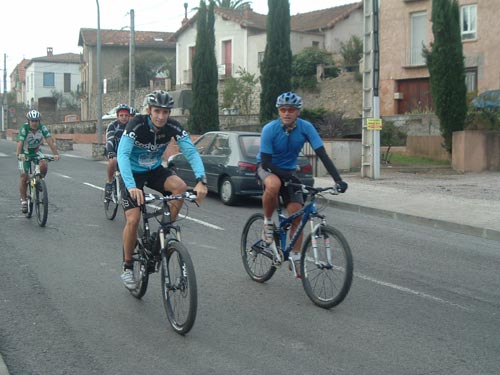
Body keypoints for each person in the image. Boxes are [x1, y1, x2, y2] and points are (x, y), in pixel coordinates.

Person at [117, 90, 208, 288]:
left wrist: (202, 180)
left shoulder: (173, 127)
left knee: (181, 187)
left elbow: (191, 152)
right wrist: (132, 187)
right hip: (132, 173)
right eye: (157, 111)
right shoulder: (137, 124)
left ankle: (161, 235)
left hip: (154, 170)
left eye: (165, 112)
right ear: (149, 110)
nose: (161, 116)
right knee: (132, 219)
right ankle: (127, 266)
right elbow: (122, 154)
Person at [256, 91, 348, 275]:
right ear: (278, 111)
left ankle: (296, 257)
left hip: (289, 172)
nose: (286, 113)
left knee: (297, 216)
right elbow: (265, 162)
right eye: (283, 109)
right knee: (273, 185)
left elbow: (322, 154)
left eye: (291, 109)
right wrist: (286, 176)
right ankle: (267, 223)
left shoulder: (306, 128)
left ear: (297, 111)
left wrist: (338, 180)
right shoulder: (270, 129)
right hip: (268, 168)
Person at [16, 110, 60, 213]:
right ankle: (23, 201)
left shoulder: (42, 128)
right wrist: (19, 155)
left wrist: (56, 154)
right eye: (33, 121)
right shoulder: (24, 128)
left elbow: (49, 140)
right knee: (24, 176)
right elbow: (20, 143)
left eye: (37, 121)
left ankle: (39, 180)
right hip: (25, 153)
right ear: (29, 121)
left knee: (44, 163)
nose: (35, 123)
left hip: (36, 151)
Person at [104, 104, 131, 199]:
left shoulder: (132, 126)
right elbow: (109, 139)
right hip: (113, 150)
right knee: (113, 160)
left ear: (129, 116)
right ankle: (110, 182)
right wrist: (110, 151)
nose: (124, 118)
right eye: (121, 115)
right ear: (117, 116)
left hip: (126, 152)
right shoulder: (113, 125)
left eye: (126, 115)